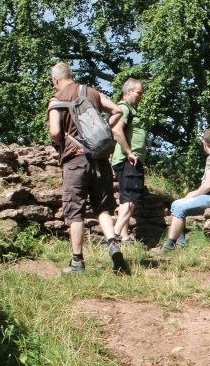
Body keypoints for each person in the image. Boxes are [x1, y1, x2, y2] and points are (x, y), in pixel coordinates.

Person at [46, 61, 133, 274]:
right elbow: (116, 111)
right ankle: (113, 244)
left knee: (75, 211)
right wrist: (104, 126)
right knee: (102, 207)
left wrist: (62, 142)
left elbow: (56, 132)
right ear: (71, 75)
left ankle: (77, 262)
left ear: (55, 80)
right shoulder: (90, 92)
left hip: (74, 161)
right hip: (99, 159)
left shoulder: (57, 100)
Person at [159, 128, 210, 252]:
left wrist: (194, 194)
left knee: (178, 208)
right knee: (175, 204)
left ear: (204, 143)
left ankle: (168, 246)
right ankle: (181, 242)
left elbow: (209, 184)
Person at [110, 78, 147, 242]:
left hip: (126, 161)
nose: (142, 96)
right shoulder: (124, 108)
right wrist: (129, 152)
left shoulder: (128, 109)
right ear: (128, 91)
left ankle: (123, 237)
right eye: (139, 92)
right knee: (131, 200)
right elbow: (117, 130)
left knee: (126, 199)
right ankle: (114, 236)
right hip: (129, 161)